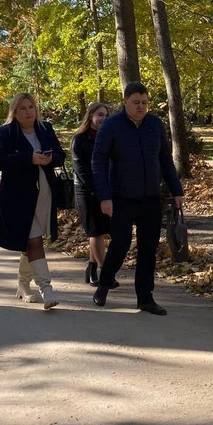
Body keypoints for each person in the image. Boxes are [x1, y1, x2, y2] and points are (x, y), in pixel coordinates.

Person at [91, 82, 184, 315]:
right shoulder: (112, 126)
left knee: (148, 249)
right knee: (120, 245)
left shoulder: (154, 125)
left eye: (144, 103)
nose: (141, 107)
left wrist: (176, 190)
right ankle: (104, 285)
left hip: (150, 198)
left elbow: (165, 160)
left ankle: (145, 298)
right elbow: (98, 162)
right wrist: (105, 197)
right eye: (136, 103)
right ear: (125, 102)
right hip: (121, 198)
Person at [0, 93, 66, 309]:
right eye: (23, 108)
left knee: (30, 239)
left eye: (31, 107)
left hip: (44, 193)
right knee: (34, 240)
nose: (28, 112)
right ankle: (46, 288)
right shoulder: (5, 132)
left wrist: (51, 158)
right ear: (14, 111)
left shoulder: (45, 129)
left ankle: (23, 284)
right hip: (18, 197)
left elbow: (61, 156)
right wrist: (29, 159)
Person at [71, 102, 115, 288]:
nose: (103, 119)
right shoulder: (79, 139)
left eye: (106, 115)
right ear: (90, 116)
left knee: (100, 232)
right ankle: (106, 274)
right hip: (86, 192)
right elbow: (81, 170)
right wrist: (98, 190)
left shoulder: (107, 137)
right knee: (96, 232)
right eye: (99, 115)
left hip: (106, 191)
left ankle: (91, 268)